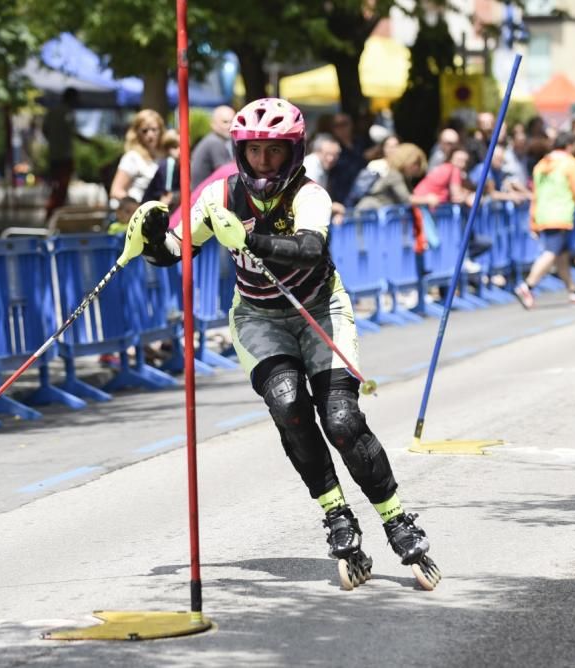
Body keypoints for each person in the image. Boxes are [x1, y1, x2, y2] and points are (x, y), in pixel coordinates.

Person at [132, 98, 438, 588]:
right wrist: (152, 240)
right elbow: (176, 248)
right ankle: (337, 514)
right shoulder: (221, 195)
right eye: (253, 152)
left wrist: (250, 241)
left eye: (274, 151)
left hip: (320, 310)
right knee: (288, 404)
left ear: (292, 151)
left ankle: (397, 518)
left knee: (341, 419)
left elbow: (311, 251)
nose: (263, 162)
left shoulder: (309, 194)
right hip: (257, 317)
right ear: (239, 150)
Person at [514, 132, 575, 309]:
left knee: (561, 255)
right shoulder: (571, 164)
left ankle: (573, 291)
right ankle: (527, 286)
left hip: (543, 213)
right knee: (552, 252)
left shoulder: (541, 165)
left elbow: (536, 195)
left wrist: (533, 219)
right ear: (570, 146)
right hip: (561, 214)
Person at [42, 88, 91, 219]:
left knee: (56, 188)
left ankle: (53, 216)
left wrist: (54, 141)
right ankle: (53, 216)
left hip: (54, 156)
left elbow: (45, 130)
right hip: (64, 157)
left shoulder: (52, 112)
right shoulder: (67, 113)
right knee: (60, 190)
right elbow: (74, 132)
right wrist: (91, 142)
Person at [109, 109, 165, 210]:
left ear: (161, 130)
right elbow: (116, 191)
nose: (150, 135)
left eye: (154, 129)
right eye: (145, 131)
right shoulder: (132, 157)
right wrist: (136, 206)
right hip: (137, 215)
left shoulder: (163, 157)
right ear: (137, 133)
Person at [190, 105, 234, 187]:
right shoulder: (215, 142)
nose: (230, 126)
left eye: (232, 122)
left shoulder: (211, 140)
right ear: (213, 124)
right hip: (202, 196)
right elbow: (228, 174)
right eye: (225, 122)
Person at [141, 128, 182, 209]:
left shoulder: (176, 163)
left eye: (182, 146)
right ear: (167, 148)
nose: (179, 150)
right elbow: (167, 196)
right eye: (174, 147)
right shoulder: (169, 163)